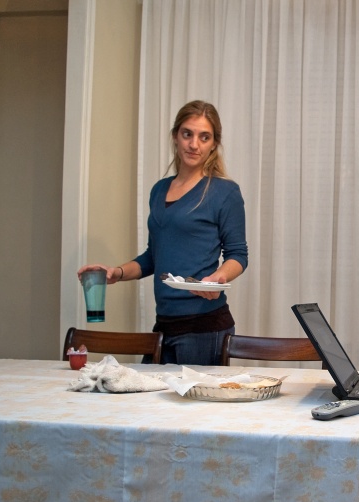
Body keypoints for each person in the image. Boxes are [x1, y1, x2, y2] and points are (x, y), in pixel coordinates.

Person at [78, 100, 248, 365]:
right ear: (175, 136)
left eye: (204, 137)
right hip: (164, 325)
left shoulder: (224, 192)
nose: (194, 144)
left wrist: (218, 277)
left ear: (214, 144)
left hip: (204, 326)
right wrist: (116, 273)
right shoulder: (159, 190)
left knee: (195, 395)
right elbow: (153, 257)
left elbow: (238, 255)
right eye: (187, 134)